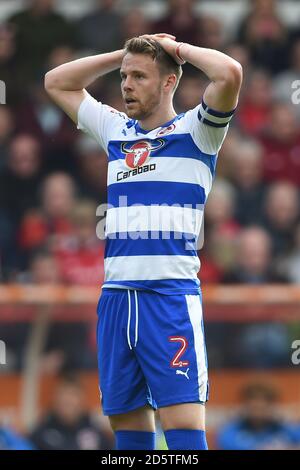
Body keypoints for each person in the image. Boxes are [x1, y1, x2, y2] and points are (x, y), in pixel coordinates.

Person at [44, 33, 242, 450]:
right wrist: (123, 53)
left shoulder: (198, 131)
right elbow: (56, 81)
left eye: (139, 76)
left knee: (185, 434)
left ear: (168, 83)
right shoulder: (116, 131)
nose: (126, 84)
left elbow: (229, 72)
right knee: (129, 437)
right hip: (116, 299)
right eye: (123, 76)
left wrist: (179, 51)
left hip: (168, 299)